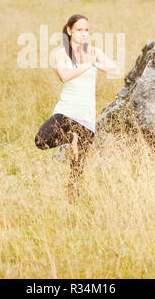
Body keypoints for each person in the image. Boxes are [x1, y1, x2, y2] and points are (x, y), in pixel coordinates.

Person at [34, 14, 120, 200]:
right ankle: (70, 139)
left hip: (86, 118)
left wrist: (95, 62)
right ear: (69, 31)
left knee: (77, 171)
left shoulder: (94, 52)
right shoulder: (61, 54)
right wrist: (87, 65)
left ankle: (74, 207)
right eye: (79, 30)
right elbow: (64, 76)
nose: (83, 34)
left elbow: (114, 69)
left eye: (86, 30)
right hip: (66, 111)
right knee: (41, 140)